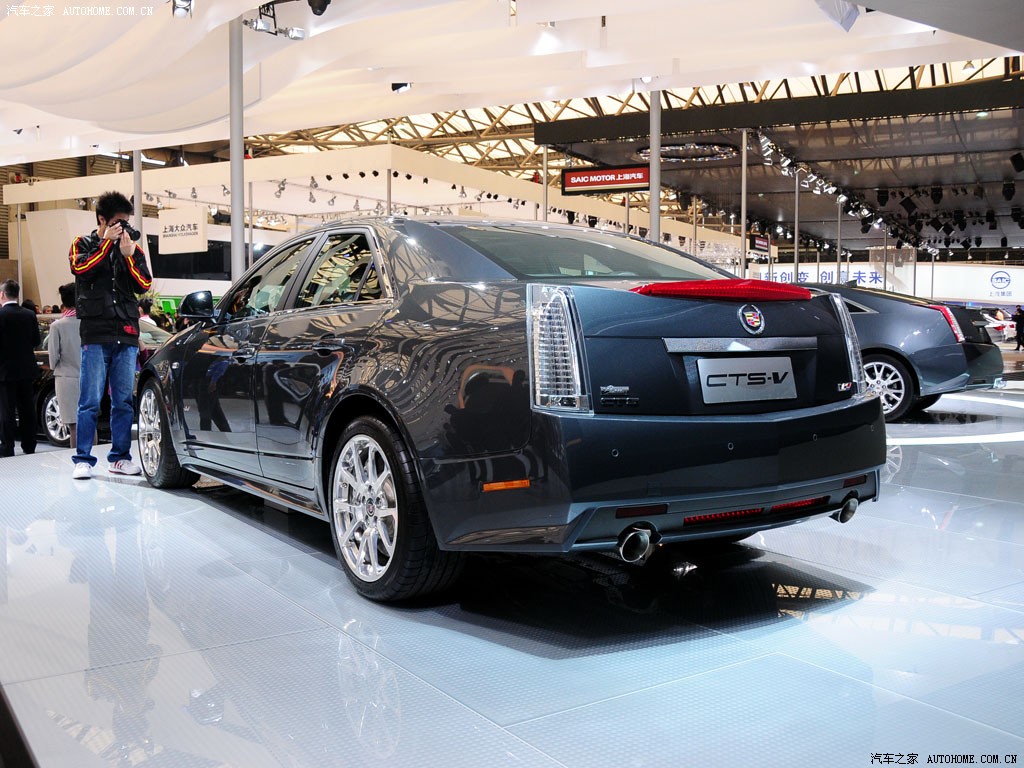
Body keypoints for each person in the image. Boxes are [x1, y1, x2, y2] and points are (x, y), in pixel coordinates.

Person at [69, 190, 153, 479]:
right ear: (102, 220)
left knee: (123, 402)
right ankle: (83, 459)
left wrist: (128, 257)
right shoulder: (82, 243)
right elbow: (80, 268)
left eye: (126, 222)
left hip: (126, 332)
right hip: (95, 333)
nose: (123, 228)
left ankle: (120, 457)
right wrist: (106, 244)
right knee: (90, 401)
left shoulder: (132, 249)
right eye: (118, 222)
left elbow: (144, 284)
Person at [0, 279, 41, 457]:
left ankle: (7, 446)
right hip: (26, 369)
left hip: (5, 370)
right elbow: (36, 340)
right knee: (27, 409)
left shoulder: (1, 315)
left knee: (6, 410)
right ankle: (29, 444)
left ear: (2, 294)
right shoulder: (29, 314)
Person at [47, 283, 82, 448]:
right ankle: (93, 457)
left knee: (73, 425)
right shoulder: (88, 323)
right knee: (88, 422)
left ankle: (78, 458)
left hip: (66, 378)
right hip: (89, 376)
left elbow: (53, 358)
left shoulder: (57, 326)